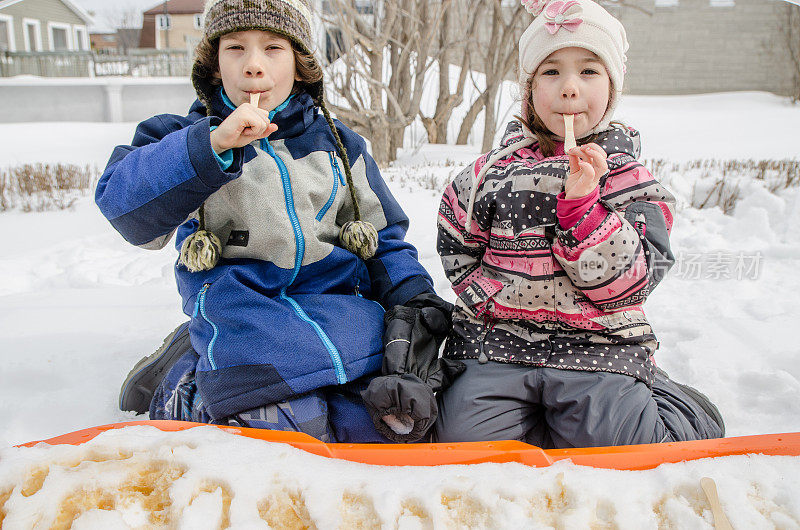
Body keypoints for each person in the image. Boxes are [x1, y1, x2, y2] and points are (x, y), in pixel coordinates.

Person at [96, 0, 461, 444]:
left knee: (390, 424)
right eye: (235, 48)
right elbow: (124, 209)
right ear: (213, 66)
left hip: (343, 314)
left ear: (301, 65)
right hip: (247, 315)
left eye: (272, 48)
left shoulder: (340, 146)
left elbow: (383, 237)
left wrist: (415, 299)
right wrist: (212, 146)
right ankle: (184, 383)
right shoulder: (182, 138)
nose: (253, 65)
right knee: (289, 433)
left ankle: (218, 369)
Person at [433, 0, 724, 447]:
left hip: (598, 348)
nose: (570, 88)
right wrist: (487, 297)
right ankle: (542, 419)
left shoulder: (629, 181)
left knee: (625, 447)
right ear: (529, 89)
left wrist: (584, 210)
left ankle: (676, 402)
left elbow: (634, 282)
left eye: (589, 72)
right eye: (551, 73)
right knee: (460, 444)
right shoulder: (487, 174)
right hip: (499, 346)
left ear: (612, 88)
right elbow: (457, 244)